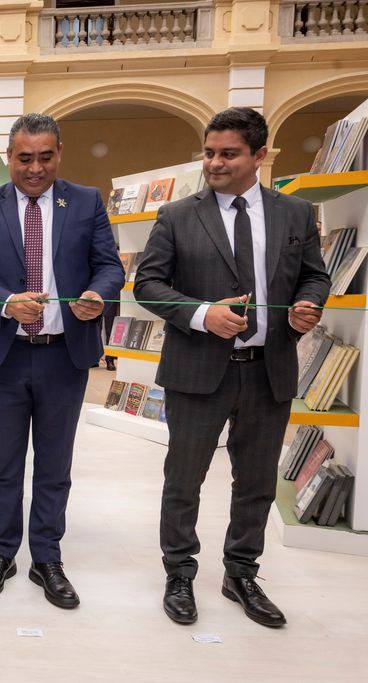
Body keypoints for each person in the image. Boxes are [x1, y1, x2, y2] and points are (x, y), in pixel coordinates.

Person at [133, 107, 330, 628]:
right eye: (209, 152)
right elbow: (148, 285)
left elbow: (314, 276)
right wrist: (201, 314)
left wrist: (311, 305)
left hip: (270, 370)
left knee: (257, 481)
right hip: (197, 370)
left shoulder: (295, 214)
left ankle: (241, 573)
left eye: (228, 153)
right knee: (184, 478)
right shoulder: (176, 215)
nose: (214, 163)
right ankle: (179, 573)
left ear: (259, 156)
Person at [0, 113, 124, 607]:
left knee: (54, 464)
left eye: (44, 157)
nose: (34, 168)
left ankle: (46, 558)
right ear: (9, 157)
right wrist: (7, 302)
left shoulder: (87, 201)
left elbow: (109, 266)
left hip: (62, 358)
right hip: (3, 357)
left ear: (59, 154)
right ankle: (3, 552)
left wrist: (97, 292)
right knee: (3, 464)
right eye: (24, 158)